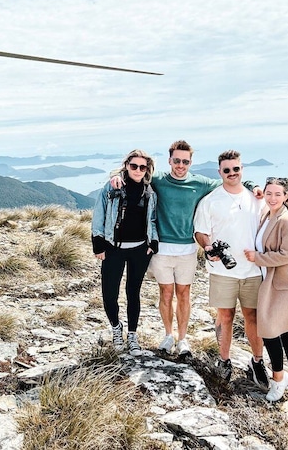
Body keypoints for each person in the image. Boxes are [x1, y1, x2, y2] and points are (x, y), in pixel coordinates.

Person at [111, 141, 261, 357]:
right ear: (169, 160)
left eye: (185, 161)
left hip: (188, 249)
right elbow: (134, 175)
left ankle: (182, 339)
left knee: (184, 294)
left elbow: (229, 181)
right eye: (177, 160)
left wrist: (252, 185)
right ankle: (168, 335)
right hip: (161, 248)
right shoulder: (158, 180)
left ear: (191, 162)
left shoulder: (200, 183)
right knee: (166, 293)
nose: (181, 165)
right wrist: (115, 177)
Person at [193, 150, 270, 391]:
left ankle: (257, 361)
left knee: (253, 317)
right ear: (220, 172)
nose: (232, 173)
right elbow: (200, 231)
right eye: (227, 170)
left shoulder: (257, 199)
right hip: (222, 271)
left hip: (253, 271)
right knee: (225, 316)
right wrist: (207, 246)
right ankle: (224, 360)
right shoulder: (211, 200)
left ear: (242, 169)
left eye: (236, 169)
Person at [244, 177, 288, 402]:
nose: (272, 198)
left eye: (277, 194)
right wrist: (255, 189)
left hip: (286, 283)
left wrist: (257, 258)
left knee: (270, 331)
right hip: (273, 281)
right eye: (269, 193)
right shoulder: (267, 214)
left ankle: (278, 380)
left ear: (286, 196)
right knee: (284, 330)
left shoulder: (287, 220)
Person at [92, 150, 159, 356]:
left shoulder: (150, 192)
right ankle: (115, 327)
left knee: (133, 293)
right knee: (109, 294)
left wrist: (153, 243)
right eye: (134, 166)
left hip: (140, 250)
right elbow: (99, 214)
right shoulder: (112, 187)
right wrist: (98, 244)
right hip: (114, 249)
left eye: (142, 167)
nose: (138, 170)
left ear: (147, 169)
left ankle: (132, 334)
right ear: (126, 166)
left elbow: (152, 220)